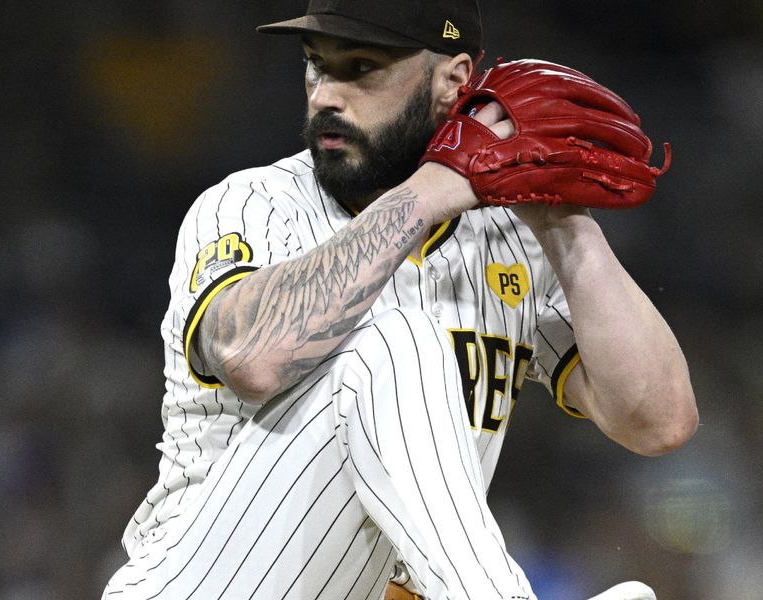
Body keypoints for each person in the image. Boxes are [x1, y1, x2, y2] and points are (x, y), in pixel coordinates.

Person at [102, 1, 698, 598]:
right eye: (316, 66)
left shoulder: (506, 239)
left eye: (360, 67)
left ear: (453, 81)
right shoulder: (254, 204)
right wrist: (436, 186)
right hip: (203, 579)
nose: (325, 96)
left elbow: (659, 422)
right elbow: (249, 358)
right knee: (398, 340)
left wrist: (564, 223)